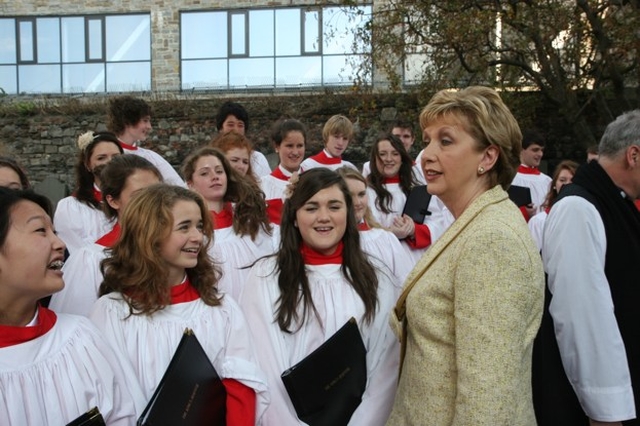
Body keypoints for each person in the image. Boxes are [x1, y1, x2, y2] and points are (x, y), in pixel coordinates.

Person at [387, 86, 545, 425]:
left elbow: (487, 401)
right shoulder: (476, 224)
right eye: (427, 140)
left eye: (445, 141)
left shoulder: (492, 241)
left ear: (487, 158)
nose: (426, 155)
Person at [89, 184, 269, 425]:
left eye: (199, 226)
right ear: (149, 233)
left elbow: (241, 385)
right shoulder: (111, 312)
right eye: (184, 227)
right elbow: (113, 397)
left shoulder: (220, 309)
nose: (197, 237)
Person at [240, 168, 399, 425]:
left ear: (348, 214)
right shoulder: (266, 276)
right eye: (311, 207)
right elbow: (263, 362)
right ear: (293, 216)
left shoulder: (376, 277)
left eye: (334, 206)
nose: (323, 217)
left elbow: (386, 367)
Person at [0, 187, 142, 425]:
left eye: (54, 231)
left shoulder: (80, 337)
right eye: (40, 231)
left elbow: (123, 415)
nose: (60, 244)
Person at [534, 110, 640, 425]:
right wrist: (606, 412)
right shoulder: (578, 208)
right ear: (633, 155)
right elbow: (582, 316)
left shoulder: (612, 203)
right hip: (595, 409)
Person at [49, 155, 162, 316]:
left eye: (158, 193)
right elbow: (78, 324)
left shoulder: (179, 249)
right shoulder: (92, 260)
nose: (153, 203)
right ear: (113, 201)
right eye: (140, 196)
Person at [182, 147, 276, 301]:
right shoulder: (189, 231)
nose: (215, 177)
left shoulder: (249, 219)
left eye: (219, 171)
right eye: (205, 173)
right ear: (191, 184)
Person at [366, 133, 453, 263]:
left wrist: (413, 230)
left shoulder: (418, 188)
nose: (388, 159)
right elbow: (362, 231)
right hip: (382, 260)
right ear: (374, 158)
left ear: (402, 158)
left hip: (415, 259)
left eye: (395, 154)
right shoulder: (365, 191)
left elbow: (438, 222)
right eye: (383, 154)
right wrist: (390, 233)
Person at [336, 166, 413, 290]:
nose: (357, 203)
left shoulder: (385, 239)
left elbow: (405, 283)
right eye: (349, 196)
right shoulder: (329, 243)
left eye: (361, 194)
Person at [53, 131, 123, 254]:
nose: (110, 162)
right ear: (87, 164)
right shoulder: (71, 207)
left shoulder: (138, 200)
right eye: (101, 158)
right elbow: (80, 254)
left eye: (116, 157)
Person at [107, 95, 185, 186]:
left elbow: (179, 187)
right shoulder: (105, 156)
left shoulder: (152, 157)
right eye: (145, 121)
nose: (149, 127)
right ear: (127, 121)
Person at [259, 117, 307, 224]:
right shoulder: (262, 185)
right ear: (277, 146)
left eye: (299, 146)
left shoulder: (315, 181)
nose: (295, 152)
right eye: (289, 146)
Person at [527, 160, 579, 251]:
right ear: (554, 185)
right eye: (562, 180)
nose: (567, 184)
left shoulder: (586, 219)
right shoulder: (538, 222)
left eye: (573, 181)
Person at [215, 100, 272, 177]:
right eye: (230, 125)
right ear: (220, 128)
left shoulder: (257, 158)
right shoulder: (210, 156)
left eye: (240, 125)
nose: (235, 130)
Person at [363, 119, 426, 184]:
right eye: (396, 136)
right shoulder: (369, 167)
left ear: (412, 140)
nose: (401, 141)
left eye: (406, 136)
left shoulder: (418, 169)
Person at [511, 129, 552, 220]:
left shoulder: (548, 181)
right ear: (521, 150)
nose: (540, 154)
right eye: (535, 150)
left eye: (541, 150)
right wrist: (524, 212)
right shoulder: (510, 178)